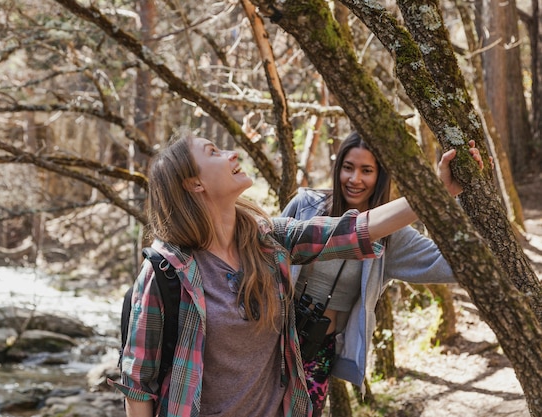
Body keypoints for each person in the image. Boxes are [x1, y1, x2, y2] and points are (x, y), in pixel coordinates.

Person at [110, 128, 481, 417]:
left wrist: (438, 190)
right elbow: (139, 384)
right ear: (195, 184)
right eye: (213, 152)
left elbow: (353, 230)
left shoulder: (269, 241)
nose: (232, 153)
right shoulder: (164, 272)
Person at [282, 131, 484, 416]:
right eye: (348, 167)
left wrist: (463, 196)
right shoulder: (306, 205)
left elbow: (453, 265)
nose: (355, 179)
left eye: (367, 171)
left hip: (316, 352)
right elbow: (264, 257)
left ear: (381, 177)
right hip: (272, 337)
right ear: (337, 167)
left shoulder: (391, 235)